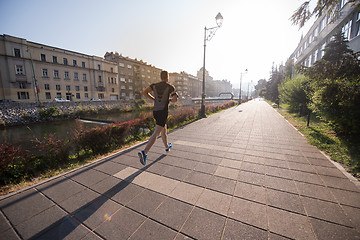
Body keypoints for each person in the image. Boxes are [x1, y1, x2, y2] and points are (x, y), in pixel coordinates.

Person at [138, 70, 178, 165]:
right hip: (163, 112)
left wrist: (153, 99)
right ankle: (144, 152)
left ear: (160, 77)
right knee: (157, 132)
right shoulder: (170, 87)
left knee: (163, 129)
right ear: (167, 78)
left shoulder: (154, 85)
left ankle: (166, 146)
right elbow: (175, 99)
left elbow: (145, 92)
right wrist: (170, 99)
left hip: (155, 111)